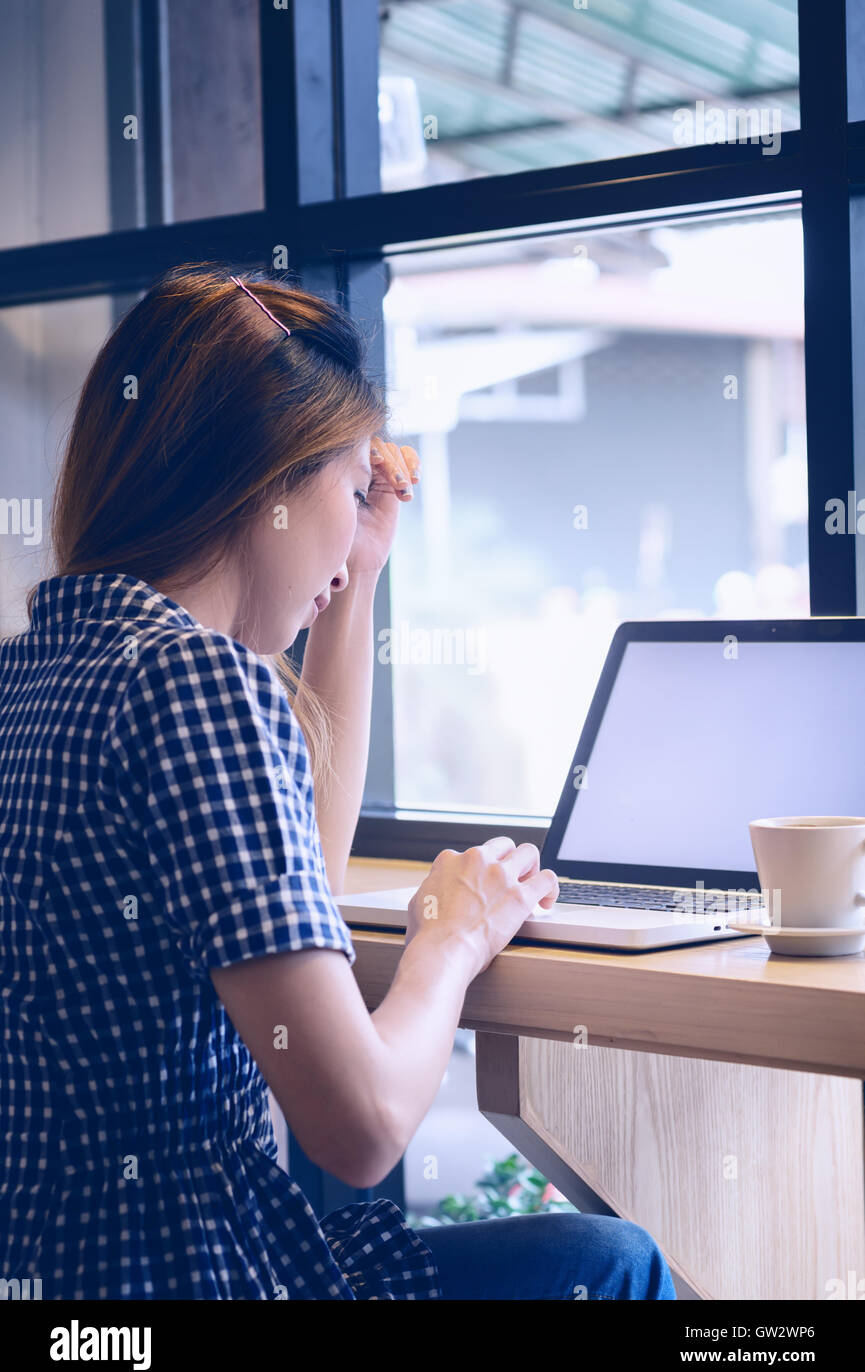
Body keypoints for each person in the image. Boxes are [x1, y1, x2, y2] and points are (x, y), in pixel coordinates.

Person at [0, 262, 676, 1300]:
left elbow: (285, 893)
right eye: (352, 487)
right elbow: (358, 1128)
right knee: (613, 1265)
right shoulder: (192, 680)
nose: (359, 515)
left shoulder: (34, 665)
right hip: (196, 1275)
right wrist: (448, 944)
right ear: (275, 475)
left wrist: (355, 577)